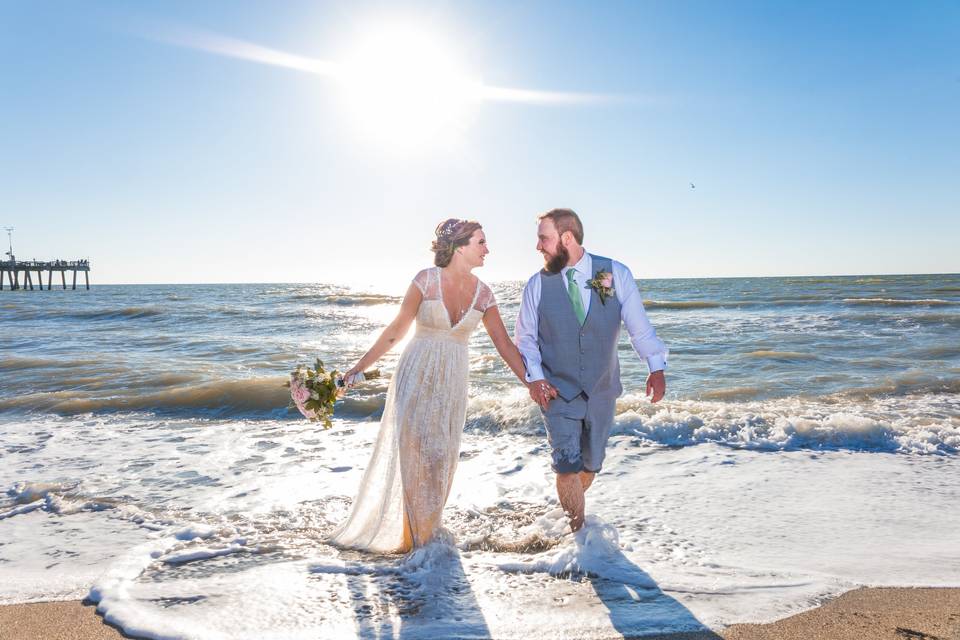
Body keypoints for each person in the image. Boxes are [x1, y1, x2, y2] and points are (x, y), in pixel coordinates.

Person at [331, 219, 538, 553]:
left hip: (452, 382)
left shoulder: (485, 294)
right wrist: (357, 368)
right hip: (416, 374)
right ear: (459, 246)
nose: (488, 249)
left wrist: (533, 384)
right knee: (414, 456)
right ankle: (413, 541)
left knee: (440, 459)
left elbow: (504, 345)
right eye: (481, 242)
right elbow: (396, 330)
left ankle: (425, 534)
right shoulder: (425, 280)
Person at [515, 208, 668, 533]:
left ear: (566, 238)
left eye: (544, 238)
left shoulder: (612, 273)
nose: (538, 246)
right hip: (556, 391)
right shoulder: (537, 285)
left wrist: (655, 367)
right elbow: (525, 338)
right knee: (566, 465)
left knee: (591, 464)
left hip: (601, 389)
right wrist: (537, 378)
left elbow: (637, 327)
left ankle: (563, 514)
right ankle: (579, 538)